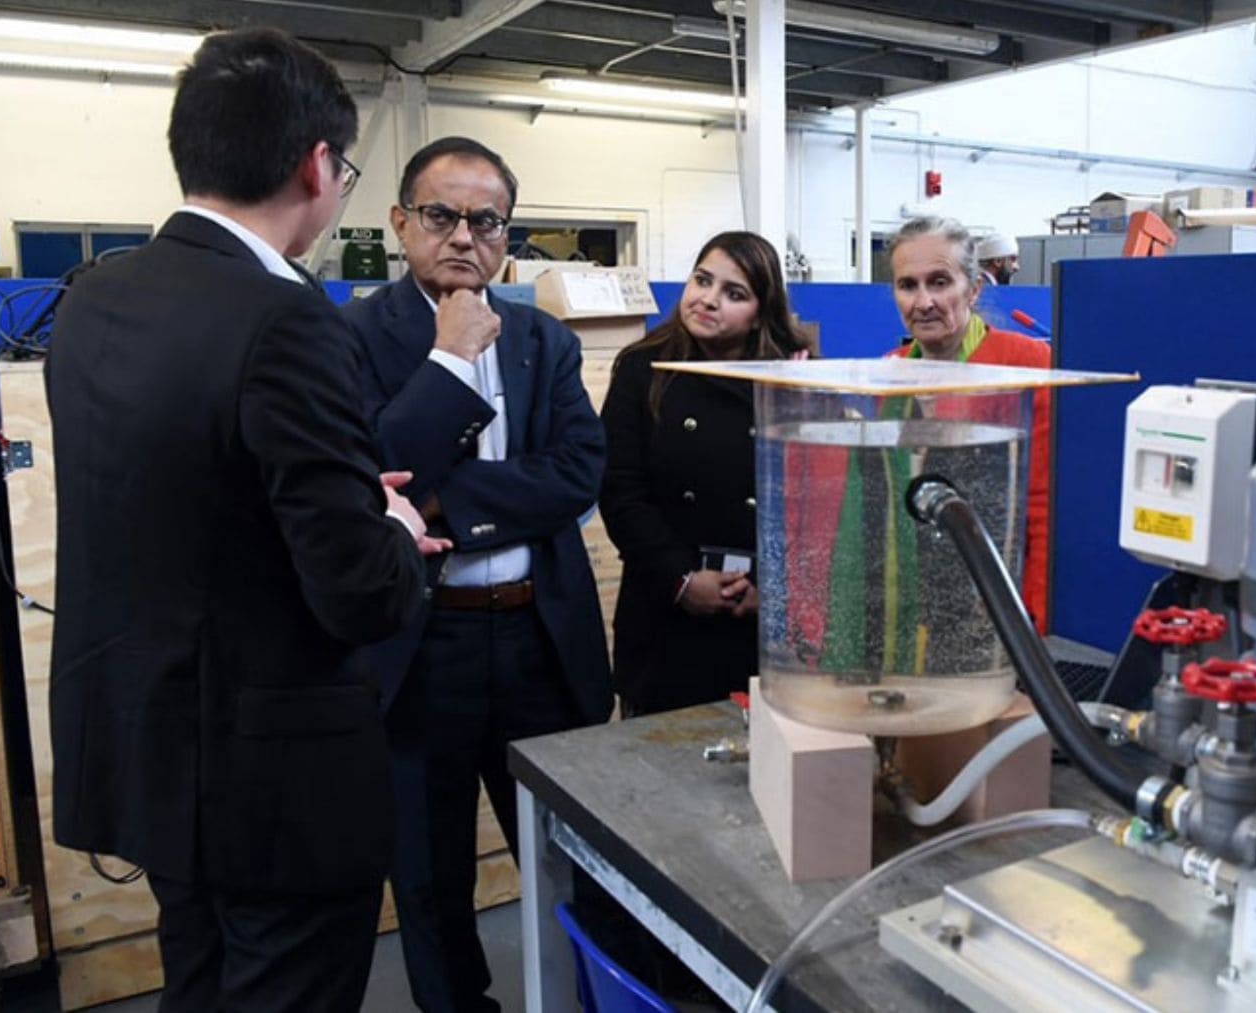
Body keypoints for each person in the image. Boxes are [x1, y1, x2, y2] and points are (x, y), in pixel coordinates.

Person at [45, 28, 438, 1012]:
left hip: (149, 755)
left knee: (202, 985)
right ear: (318, 165)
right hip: (272, 786)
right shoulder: (286, 317)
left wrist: (332, 488)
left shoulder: (95, 299)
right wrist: (385, 519)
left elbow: (182, 493)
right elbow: (359, 592)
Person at [341, 137, 613, 1013]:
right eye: (440, 215)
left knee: (572, 858)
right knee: (429, 874)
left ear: (508, 234)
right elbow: (372, 469)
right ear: (399, 224)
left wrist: (450, 509)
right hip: (424, 648)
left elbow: (579, 471)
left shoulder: (543, 339)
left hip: (538, 633)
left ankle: (587, 998)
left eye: (484, 220)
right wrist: (448, 359)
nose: (462, 236)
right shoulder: (351, 335)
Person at [601, 230, 811, 716]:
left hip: (760, 614)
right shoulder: (642, 367)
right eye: (703, 280)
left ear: (761, 309)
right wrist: (680, 579)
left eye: (734, 294)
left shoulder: (791, 376)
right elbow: (620, 489)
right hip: (665, 606)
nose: (709, 300)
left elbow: (813, 506)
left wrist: (774, 590)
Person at [889, 216, 1054, 630]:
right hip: (911, 609)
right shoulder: (886, 376)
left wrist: (1034, 621)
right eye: (908, 285)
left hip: (998, 606)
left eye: (940, 282)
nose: (922, 302)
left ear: (975, 287)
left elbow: (1043, 505)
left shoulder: (1027, 366)